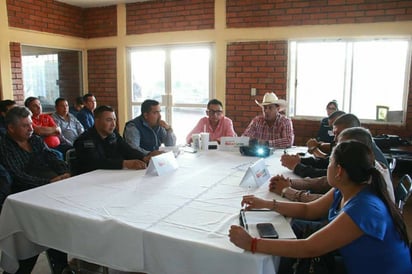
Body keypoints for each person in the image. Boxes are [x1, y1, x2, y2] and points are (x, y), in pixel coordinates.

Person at [229, 141, 411, 274]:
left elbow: (310, 248)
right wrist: (267, 204)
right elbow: (309, 210)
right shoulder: (348, 188)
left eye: (330, 163)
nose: (328, 168)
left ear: (339, 171)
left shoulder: (364, 208)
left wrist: (252, 243)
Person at [0, 106, 71, 274]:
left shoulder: (34, 139)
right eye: (25, 126)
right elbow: (17, 176)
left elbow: (50, 156)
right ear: (11, 128)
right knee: (29, 241)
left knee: (56, 227)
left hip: (47, 190)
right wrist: (49, 181)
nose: (31, 128)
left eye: (31, 124)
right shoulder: (4, 146)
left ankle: (60, 267)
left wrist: (64, 171)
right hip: (21, 196)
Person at [270, 127, 395, 203]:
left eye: (340, 142)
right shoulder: (365, 164)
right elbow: (324, 182)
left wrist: (287, 190)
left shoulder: (363, 183)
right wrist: (291, 183)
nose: (334, 141)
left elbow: (319, 206)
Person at [280, 113, 362, 178]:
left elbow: (327, 176)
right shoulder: (351, 144)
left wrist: (296, 166)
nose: (335, 139)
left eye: (339, 134)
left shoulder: (359, 153)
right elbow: (327, 161)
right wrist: (300, 161)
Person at [74, 105, 149, 174]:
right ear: (97, 121)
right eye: (109, 120)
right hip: (87, 179)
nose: (113, 124)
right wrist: (124, 163)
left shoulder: (113, 134)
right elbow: (95, 162)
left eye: (114, 120)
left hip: (109, 175)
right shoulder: (85, 139)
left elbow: (127, 149)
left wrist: (144, 157)